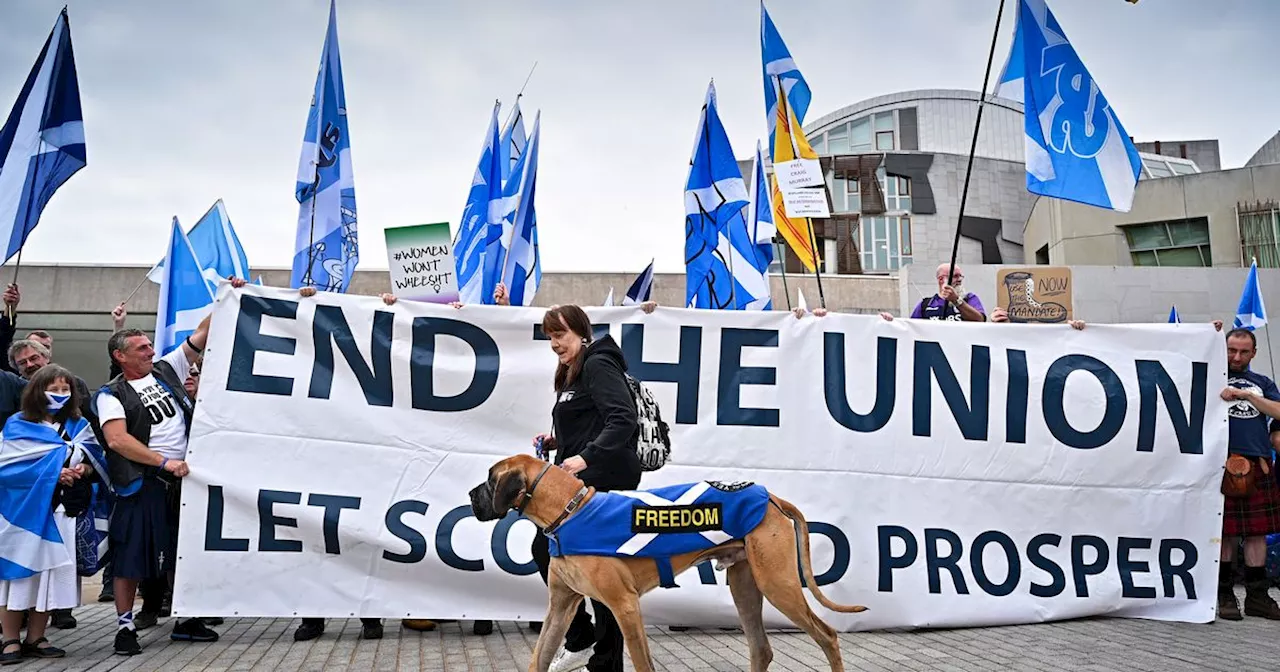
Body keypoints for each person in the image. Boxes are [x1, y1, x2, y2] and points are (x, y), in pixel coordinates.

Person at [95, 280, 247, 655]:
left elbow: (203, 332)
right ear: (121, 357)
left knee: (186, 549)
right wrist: (165, 462)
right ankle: (125, 626)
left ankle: (186, 619)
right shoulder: (110, 394)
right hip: (143, 483)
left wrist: (229, 295)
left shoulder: (166, 370)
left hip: (181, 481)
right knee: (131, 556)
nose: (150, 350)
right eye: (141, 348)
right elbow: (118, 441)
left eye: (149, 345)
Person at [532, 304, 643, 672]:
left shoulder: (597, 363)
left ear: (581, 331)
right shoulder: (574, 370)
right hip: (586, 479)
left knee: (596, 569)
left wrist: (584, 458)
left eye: (560, 334)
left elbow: (622, 418)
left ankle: (593, 650)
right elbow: (588, 418)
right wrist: (555, 442)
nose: (555, 344)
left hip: (604, 478)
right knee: (584, 565)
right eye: (550, 337)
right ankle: (593, 649)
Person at [291, 286, 388, 642]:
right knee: (316, 548)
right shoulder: (314, 378)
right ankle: (313, 619)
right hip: (321, 475)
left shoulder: (375, 378)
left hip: (363, 475)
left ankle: (369, 616)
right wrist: (306, 303)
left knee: (363, 547)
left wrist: (391, 307)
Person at [0, 365, 108, 663]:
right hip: (26, 516)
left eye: (65, 389)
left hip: (65, 514)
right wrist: (53, 473)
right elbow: (7, 469)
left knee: (51, 577)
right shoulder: (17, 425)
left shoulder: (79, 425)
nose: (60, 395)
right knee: (20, 576)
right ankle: (10, 639)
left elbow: (96, 461)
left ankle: (37, 637)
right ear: (37, 390)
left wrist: (83, 469)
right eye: (54, 388)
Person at [1218, 328, 1280, 621]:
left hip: (1257, 465)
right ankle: (1225, 595)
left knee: (1257, 534)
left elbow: (1279, 412)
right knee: (1225, 534)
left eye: (1243, 352)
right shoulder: (1210, 376)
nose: (1237, 356)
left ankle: (1257, 596)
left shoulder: (1263, 383)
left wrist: (1245, 395)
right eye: (1231, 350)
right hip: (1220, 463)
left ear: (1254, 353)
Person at [885, 263, 986, 322]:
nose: (959, 280)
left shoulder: (969, 299)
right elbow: (911, 328)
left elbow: (980, 320)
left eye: (960, 276)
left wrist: (957, 301)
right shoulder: (926, 304)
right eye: (955, 276)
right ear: (941, 279)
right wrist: (892, 323)